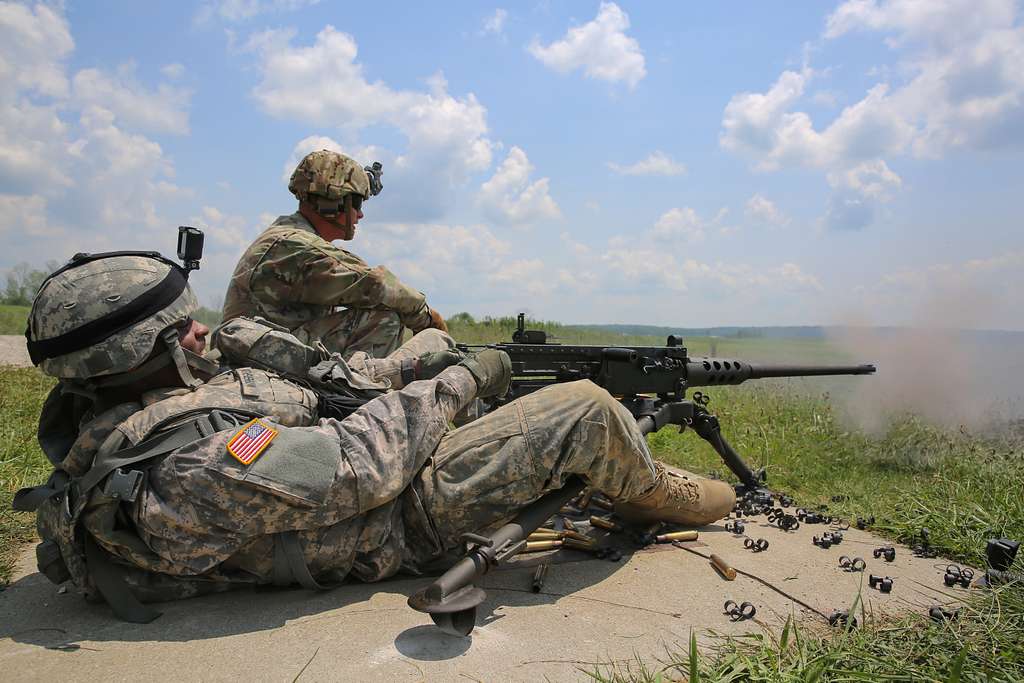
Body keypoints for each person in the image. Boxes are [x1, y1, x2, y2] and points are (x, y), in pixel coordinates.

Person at [19, 252, 735, 622]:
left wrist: (413, 360)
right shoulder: (189, 470)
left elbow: (312, 395)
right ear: (128, 358)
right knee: (581, 409)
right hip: (395, 517)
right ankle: (661, 492)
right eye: (180, 329)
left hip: (351, 476)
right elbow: (366, 464)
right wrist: (461, 382)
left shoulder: (140, 409)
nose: (201, 329)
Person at [222, 150, 447, 360]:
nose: (360, 214)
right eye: (356, 202)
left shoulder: (291, 238)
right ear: (331, 202)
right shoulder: (295, 246)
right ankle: (359, 399)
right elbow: (376, 285)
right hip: (257, 358)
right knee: (384, 319)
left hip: (258, 351)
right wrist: (427, 320)